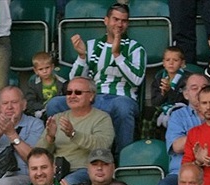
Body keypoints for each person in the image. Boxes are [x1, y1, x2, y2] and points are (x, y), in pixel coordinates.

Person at [49, 3, 145, 156]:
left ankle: (123, 159)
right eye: (115, 19)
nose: (119, 24)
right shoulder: (92, 46)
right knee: (54, 104)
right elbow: (74, 81)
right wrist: (81, 57)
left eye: (124, 21)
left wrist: (117, 55)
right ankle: (60, 153)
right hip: (92, 97)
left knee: (123, 107)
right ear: (106, 20)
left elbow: (137, 80)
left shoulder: (135, 48)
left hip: (121, 98)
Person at [159, 73, 210, 185]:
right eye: (194, 88)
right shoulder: (178, 116)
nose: (200, 91)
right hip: (183, 174)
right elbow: (177, 146)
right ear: (186, 94)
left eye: (204, 87)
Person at [36, 77, 115, 185]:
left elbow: (103, 145)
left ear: (91, 96)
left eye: (78, 92)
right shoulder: (57, 118)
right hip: (55, 170)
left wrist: (73, 134)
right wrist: (50, 138)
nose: (72, 96)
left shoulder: (102, 118)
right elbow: (38, 154)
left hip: (83, 170)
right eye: (69, 92)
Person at [146, 46, 188, 130]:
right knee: (148, 112)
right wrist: (163, 93)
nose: (171, 63)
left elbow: (185, 101)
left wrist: (170, 91)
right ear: (163, 63)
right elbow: (155, 102)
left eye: (175, 60)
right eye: (168, 60)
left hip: (179, 109)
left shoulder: (187, 79)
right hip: (162, 108)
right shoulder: (158, 78)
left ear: (182, 63)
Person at [24, 50, 66, 120]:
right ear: (36, 71)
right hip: (39, 111)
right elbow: (30, 102)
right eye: (41, 69)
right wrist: (43, 107)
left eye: (47, 68)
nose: (44, 71)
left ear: (52, 67)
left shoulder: (61, 82)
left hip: (57, 112)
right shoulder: (33, 83)